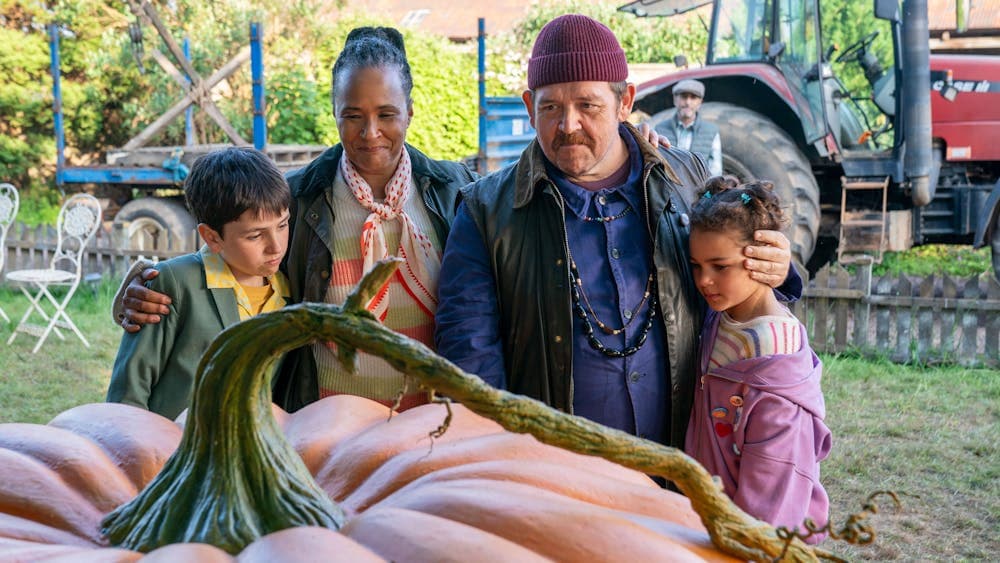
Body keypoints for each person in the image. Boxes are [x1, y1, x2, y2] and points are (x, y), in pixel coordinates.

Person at [434, 14, 801, 449]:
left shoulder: (685, 180)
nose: (568, 125)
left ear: (624, 101)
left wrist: (773, 268)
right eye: (550, 107)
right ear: (530, 107)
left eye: (588, 106)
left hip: (684, 472)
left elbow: (735, 293)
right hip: (557, 486)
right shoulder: (485, 213)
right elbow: (470, 365)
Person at [115, 27, 477, 412]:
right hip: (325, 429)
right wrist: (140, 291)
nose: (370, 133)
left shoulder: (456, 191)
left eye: (386, 114)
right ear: (334, 112)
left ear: (410, 111)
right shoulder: (297, 199)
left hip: (430, 420)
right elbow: (222, 262)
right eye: (352, 115)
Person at [684, 176, 830, 540]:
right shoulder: (723, 316)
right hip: (711, 523)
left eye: (720, 266)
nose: (704, 280)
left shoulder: (775, 360)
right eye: (696, 266)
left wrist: (744, 540)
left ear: (762, 256)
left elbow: (773, 493)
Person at [106, 147, 291, 419]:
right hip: (170, 450)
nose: (275, 246)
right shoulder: (172, 283)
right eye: (255, 236)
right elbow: (129, 390)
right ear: (212, 237)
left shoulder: (290, 290)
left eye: (283, 225)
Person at [657, 79, 723, 176]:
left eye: (693, 97)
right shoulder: (660, 129)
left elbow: (716, 170)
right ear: (675, 99)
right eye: (684, 97)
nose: (688, 102)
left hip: (699, 189)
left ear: (700, 102)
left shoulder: (711, 131)